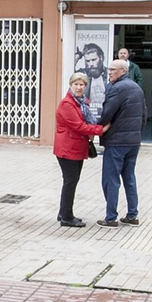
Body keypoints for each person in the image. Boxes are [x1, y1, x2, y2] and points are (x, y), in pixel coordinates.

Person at [53, 71, 107, 228]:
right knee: (70, 181)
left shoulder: (82, 102)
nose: (78, 87)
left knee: (72, 181)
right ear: (70, 85)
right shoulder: (67, 104)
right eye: (75, 84)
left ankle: (64, 212)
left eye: (81, 84)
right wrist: (100, 130)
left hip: (75, 148)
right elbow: (79, 126)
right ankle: (66, 217)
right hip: (67, 149)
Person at [96, 58, 144, 228]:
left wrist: (97, 128)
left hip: (117, 141)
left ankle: (111, 218)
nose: (109, 72)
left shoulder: (117, 89)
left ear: (123, 71)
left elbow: (107, 113)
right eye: (109, 69)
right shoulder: (136, 88)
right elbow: (144, 115)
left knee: (111, 179)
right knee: (129, 177)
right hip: (133, 141)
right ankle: (133, 215)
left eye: (113, 70)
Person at [75, 41, 108, 108]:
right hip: (87, 111)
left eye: (93, 60)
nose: (91, 64)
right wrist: (79, 54)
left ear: (101, 58)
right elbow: (68, 68)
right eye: (87, 61)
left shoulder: (109, 74)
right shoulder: (83, 74)